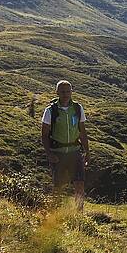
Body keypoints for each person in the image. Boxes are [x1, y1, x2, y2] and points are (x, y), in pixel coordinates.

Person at [39, 80, 88, 210]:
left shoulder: (78, 108)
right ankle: (54, 214)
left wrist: (87, 152)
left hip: (75, 151)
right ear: (57, 93)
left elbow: (82, 131)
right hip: (58, 153)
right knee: (58, 186)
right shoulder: (50, 111)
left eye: (68, 91)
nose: (66, 94)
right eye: (62, 91)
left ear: (72, 92)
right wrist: (49, 153)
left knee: (79, 184)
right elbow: (44, 134)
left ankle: (79, 214)